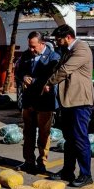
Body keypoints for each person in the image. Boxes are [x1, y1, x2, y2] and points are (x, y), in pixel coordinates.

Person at [46, 24, 94, 186]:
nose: (57, 42)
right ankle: (67, 171)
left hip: (80, 101)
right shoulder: (67, 50)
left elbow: (65, 70)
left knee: (80, 139)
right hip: (69, 101)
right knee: (70, 139)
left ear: (68, 37)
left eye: (58, 39)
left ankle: (86, 175)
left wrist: (49, 82)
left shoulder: (81, 48)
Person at [15, 31, 60, 174]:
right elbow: (18, 70)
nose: (31, 49)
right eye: (29, 46)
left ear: (42, 44)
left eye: (34, 47)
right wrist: (23, 77)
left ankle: (42, 161)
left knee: (43, 133)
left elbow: (50, 77)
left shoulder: (53, 57)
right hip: (29, 100)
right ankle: (29, 161)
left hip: (45, 101)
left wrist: (33, 80)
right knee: (28, 132)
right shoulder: (27, 55)